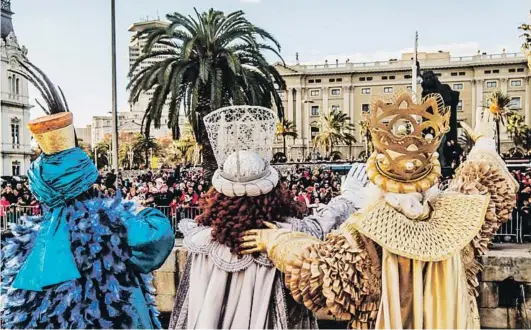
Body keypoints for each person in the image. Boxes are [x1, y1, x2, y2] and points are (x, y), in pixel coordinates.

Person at [241, 92, 518, 329]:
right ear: (429, 178)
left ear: (377, 178)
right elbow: (485, 184)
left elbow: (319, 270)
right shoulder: (460, 215)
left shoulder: (362, 233)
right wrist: (483, 141)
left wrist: (277, 241)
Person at [0, 58, 175, 329]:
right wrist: (141, 209)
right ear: (87, 182)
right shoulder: (115, 224)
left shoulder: (26, 244)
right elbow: (159, 238)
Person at [169, 106, 368, 329]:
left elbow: (187, 310)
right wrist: (349, 196)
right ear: (273, 191)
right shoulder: (288, 234)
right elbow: (322, 226)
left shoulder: (202, 241)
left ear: (219, 195)